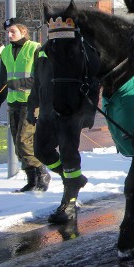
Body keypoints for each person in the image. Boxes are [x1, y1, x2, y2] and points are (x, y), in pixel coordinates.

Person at [27, 38, 96, 223]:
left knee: (68, 156)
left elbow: (93, 81)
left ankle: (69, 204)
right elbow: (37, 84)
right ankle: (73, 180)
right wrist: (30, 107)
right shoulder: (42, 51)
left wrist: (89, 111)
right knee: (41, 151)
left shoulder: (79, 49)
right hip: (47, 111)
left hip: (70, 111)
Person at [0, 18, 50, 192]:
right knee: (18, 145)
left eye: (12, 32)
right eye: (7, 32)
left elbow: (42, 78)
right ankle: (31, 179)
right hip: (13, 103)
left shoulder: (35, 48)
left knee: (24, 141)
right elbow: (2, 82)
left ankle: (42, 172)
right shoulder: (7, 52)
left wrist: (16, 84)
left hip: (31, 103)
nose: (9, 35)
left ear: (23, 31)